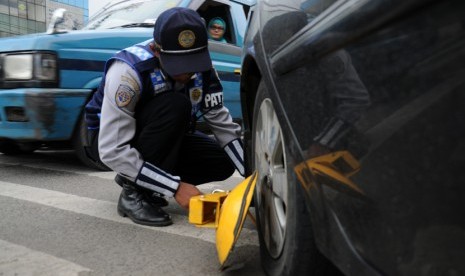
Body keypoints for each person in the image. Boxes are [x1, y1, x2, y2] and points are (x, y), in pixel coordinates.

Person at [84, 7, 244, 227]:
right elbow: (112, 149)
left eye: (193, 62)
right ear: (156, 50)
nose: (188, 73)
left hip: (161, 133)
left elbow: (221, 123)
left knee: (222, 161)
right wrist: (175, 188)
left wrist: (253, 175)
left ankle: (147, 180)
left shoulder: (204, 69)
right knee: (175, 105)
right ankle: (134, 193)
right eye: (179, 64)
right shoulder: (128, 71)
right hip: (108, 140)